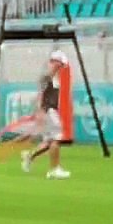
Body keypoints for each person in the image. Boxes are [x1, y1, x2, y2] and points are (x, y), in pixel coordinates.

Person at [21, 51, 73, 179]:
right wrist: (40, 112)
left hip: (50, 110)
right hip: (49, 111)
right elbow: (40, 95)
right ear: (55, 62)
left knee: (49, 141)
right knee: (57, 138)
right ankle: (54, 169)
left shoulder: (55, 78)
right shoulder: (47, 77)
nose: (61, 67)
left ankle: (30, 156)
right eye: (59, 64)